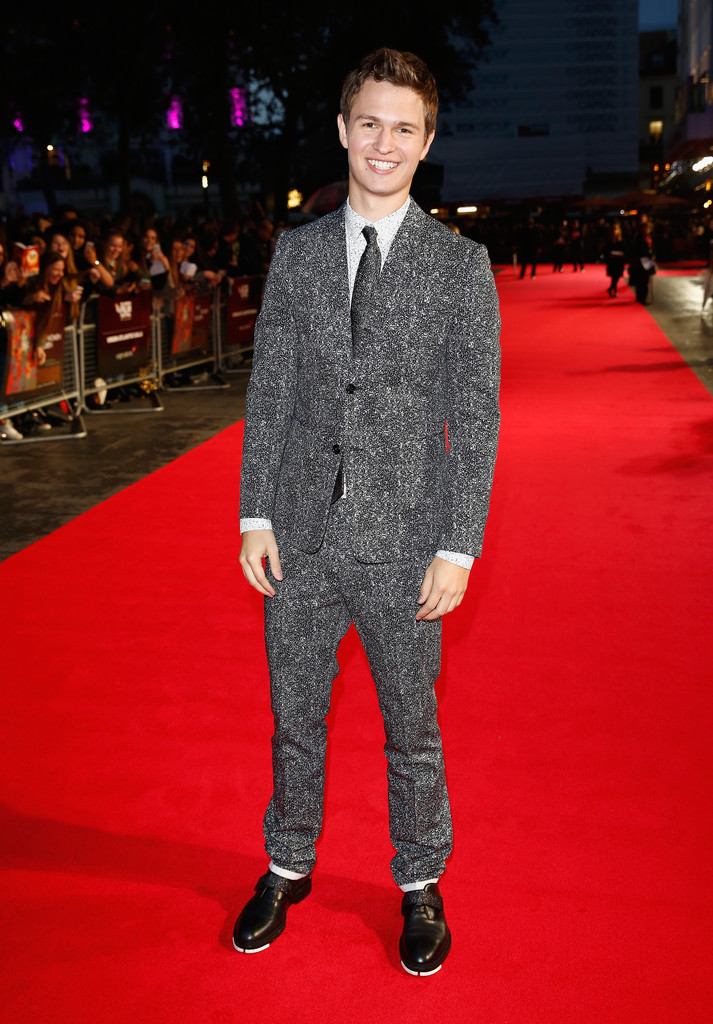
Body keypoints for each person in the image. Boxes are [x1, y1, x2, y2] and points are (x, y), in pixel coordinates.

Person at [234, 47, 501, 976]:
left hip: (404, 544)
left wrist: (458, 547)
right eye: (369, 123)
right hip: (298, 540)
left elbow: (474, 414)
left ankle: (419, 883)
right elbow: (268, 393)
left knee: (409, 725)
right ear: (344, 130)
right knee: (293, 717)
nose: (383, 142)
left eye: (404, 127)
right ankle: (286, 863)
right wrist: (252, 514)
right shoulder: (298, 255)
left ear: (425, 142)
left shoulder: (459, 267)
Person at [604, 222, 625, 297]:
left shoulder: (620, 240)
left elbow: (624, 250)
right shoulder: (609, 240)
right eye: (613, 230)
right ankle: (614, 289)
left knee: (617, 276)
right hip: (612, 261)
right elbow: (606, 250)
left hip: (619, 261)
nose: (614, 232)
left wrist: (620, 253)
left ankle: (611, 287)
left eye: (616, 230)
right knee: (614, 275)